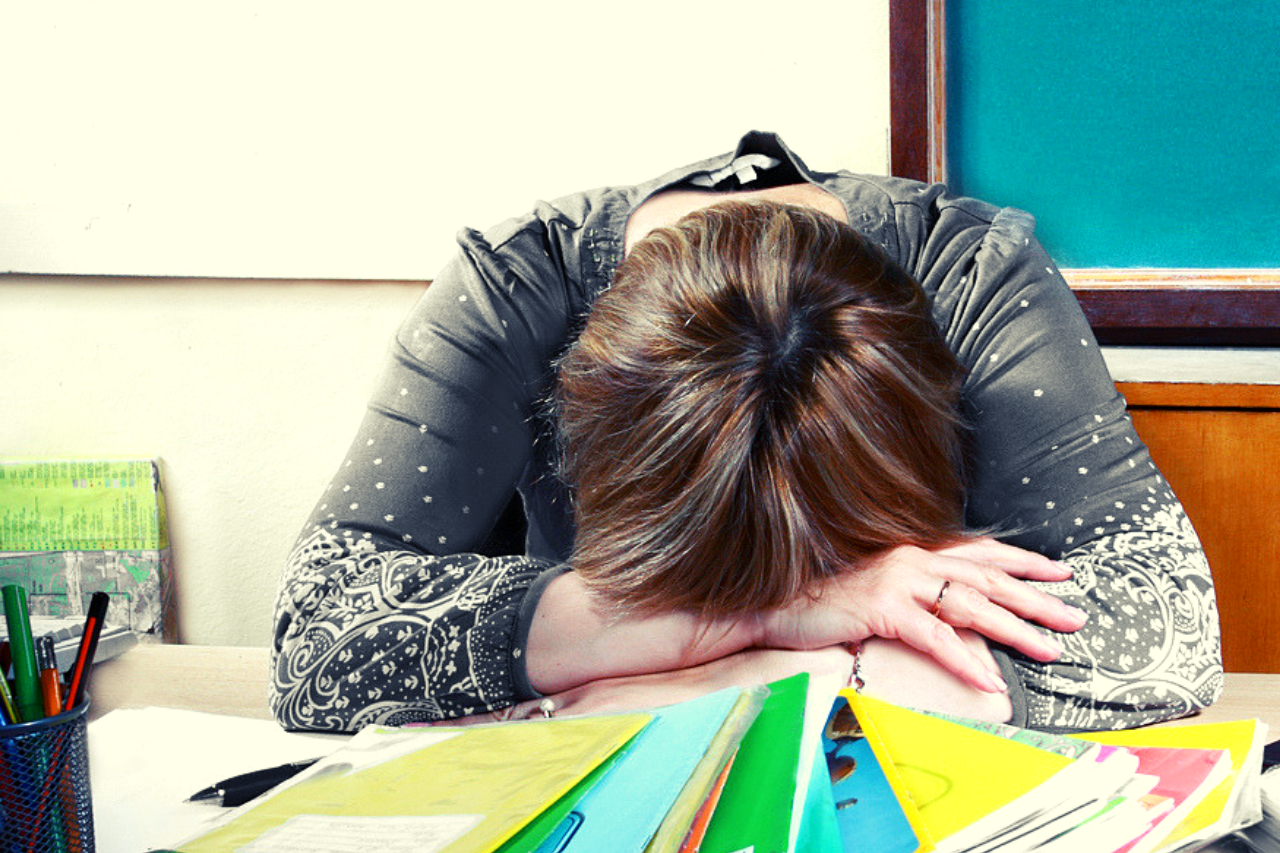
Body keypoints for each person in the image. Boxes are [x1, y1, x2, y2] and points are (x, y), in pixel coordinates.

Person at [269, 131, 1223, 734]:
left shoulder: (970, 276)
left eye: (827, 568)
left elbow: (1167, 618)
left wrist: (769, 679)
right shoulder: (513, 289)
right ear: (571, 411)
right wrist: (787, 618)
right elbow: (316, 633)